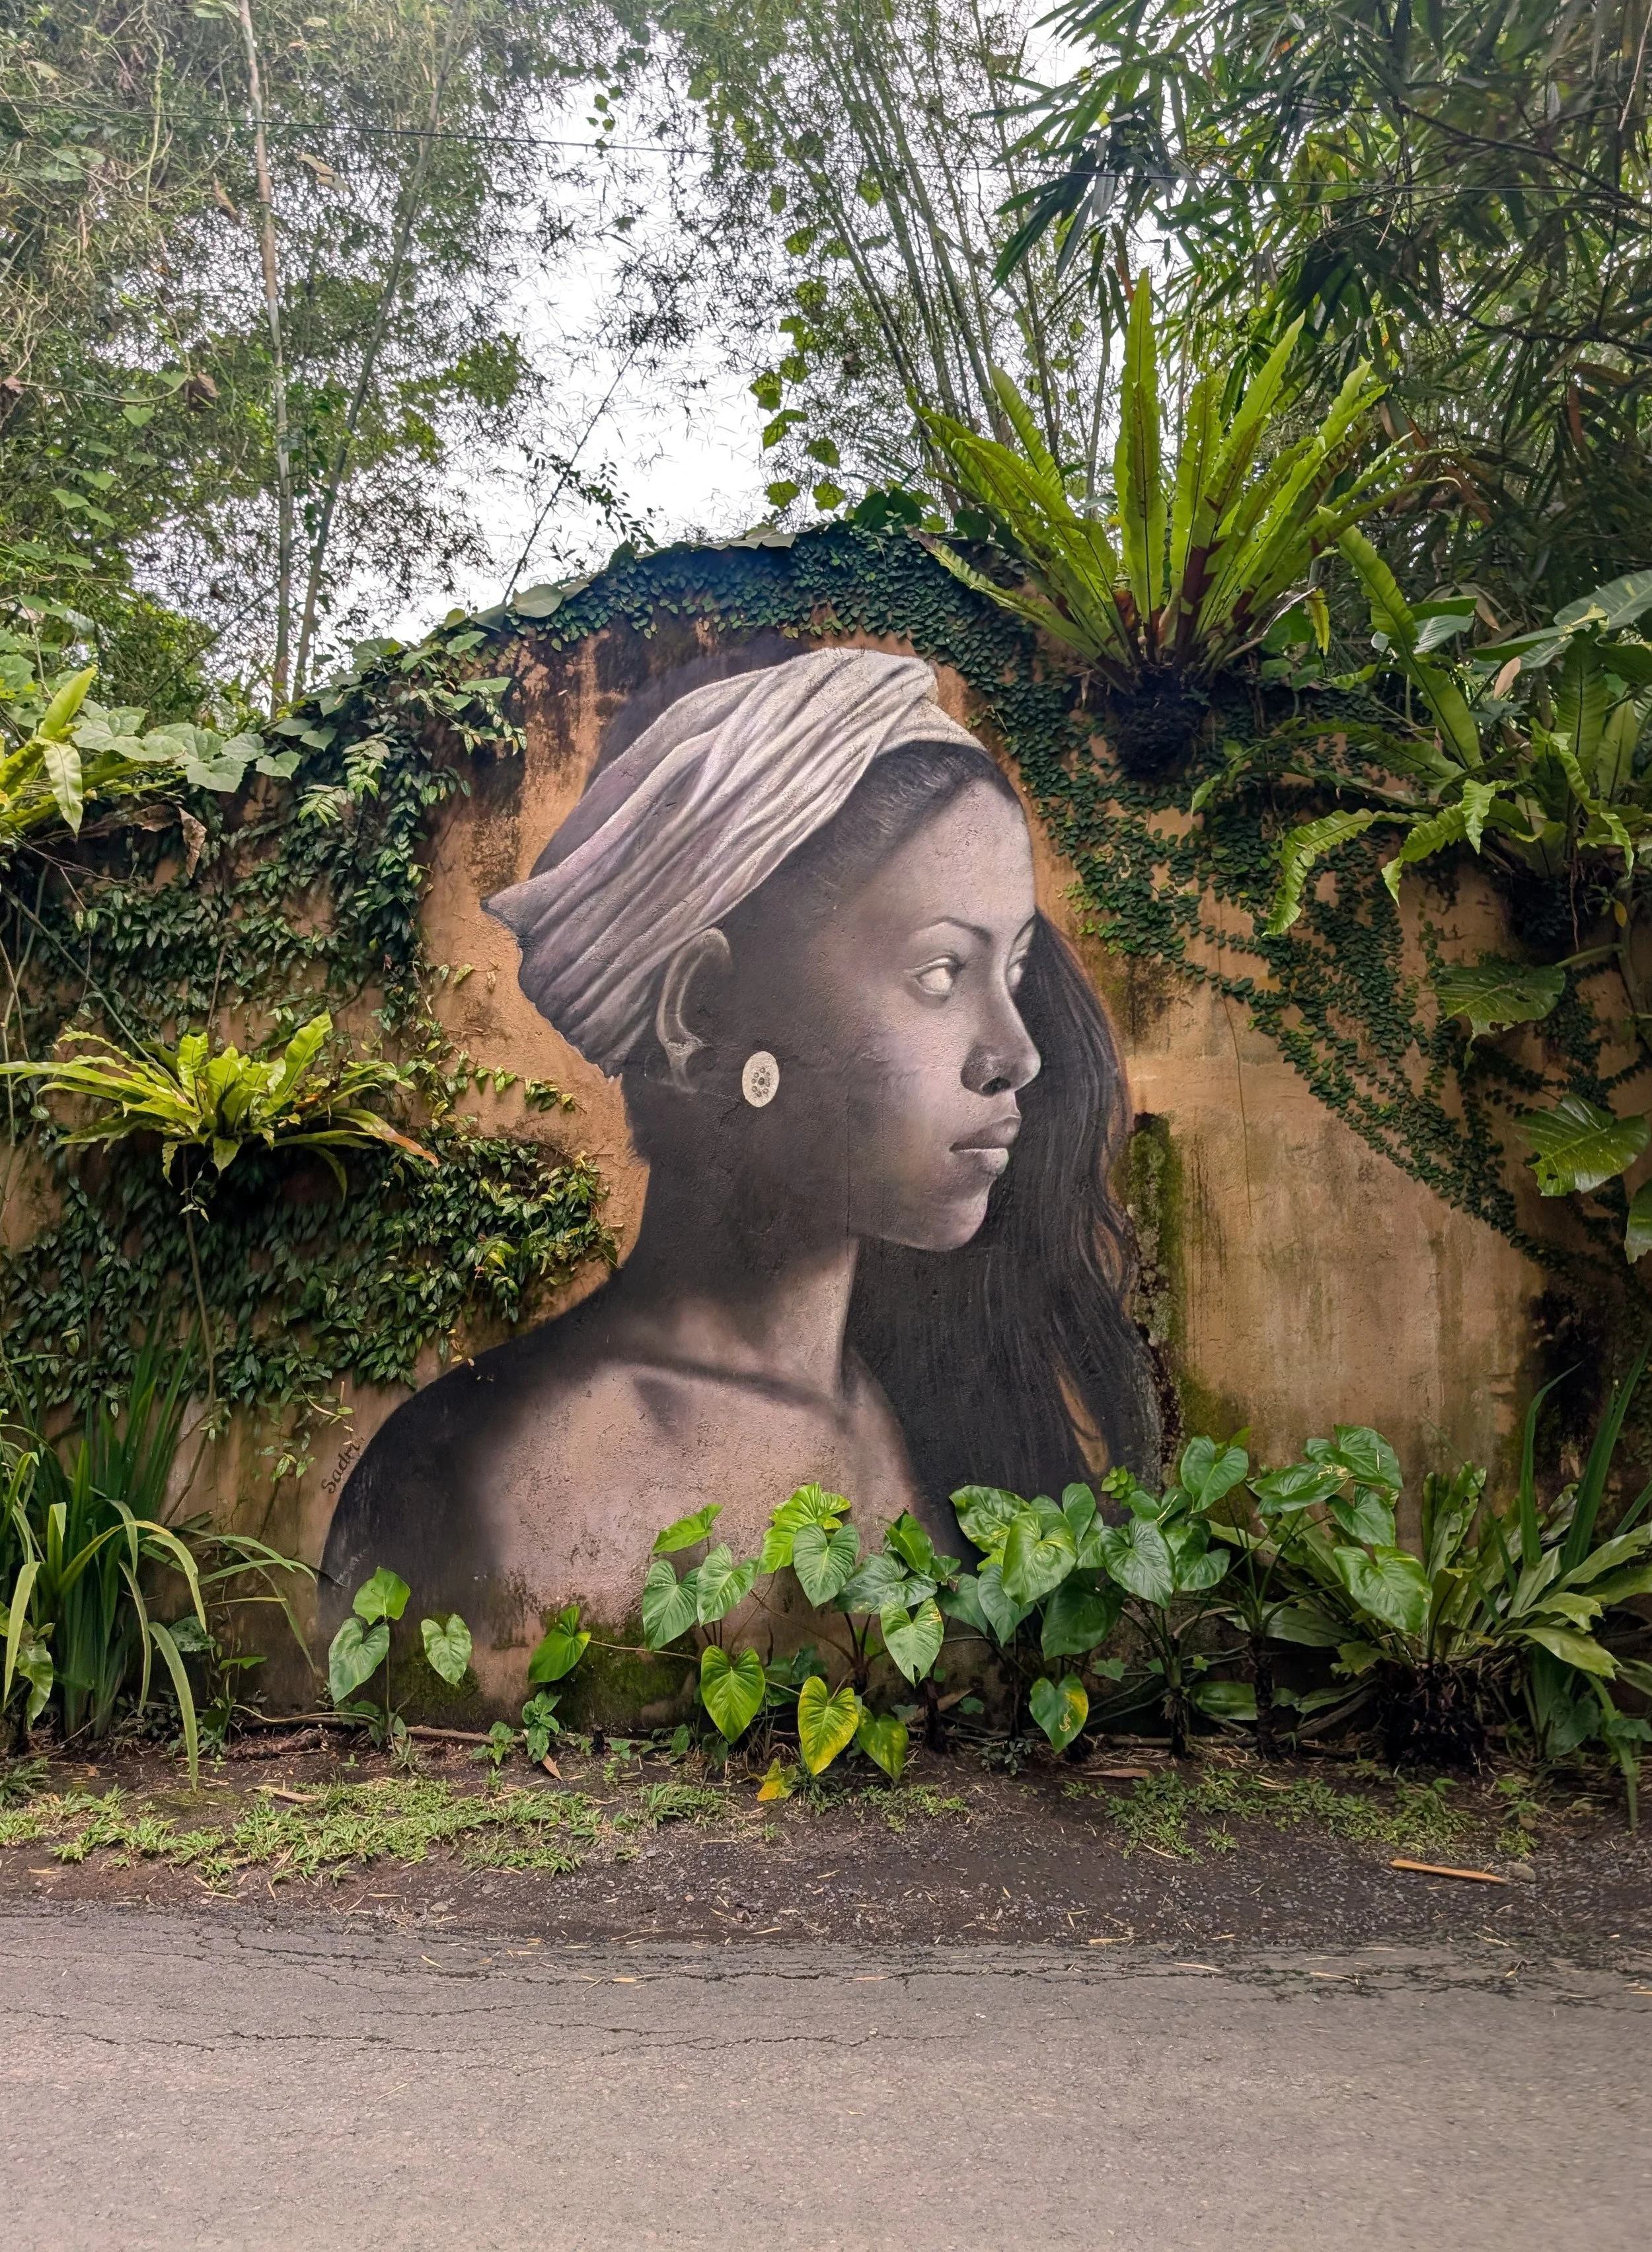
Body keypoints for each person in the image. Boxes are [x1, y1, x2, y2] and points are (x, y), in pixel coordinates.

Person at [321, 645, 1158, 1636]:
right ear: (704, 1007)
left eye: (1012, 973)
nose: (1015, 1054)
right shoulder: (484, 1473)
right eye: (939, 974)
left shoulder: (944, 1405)